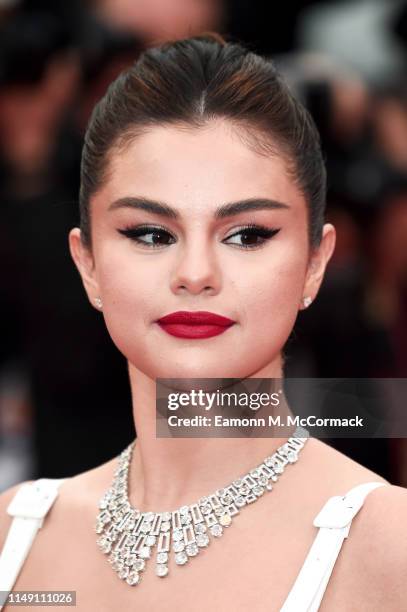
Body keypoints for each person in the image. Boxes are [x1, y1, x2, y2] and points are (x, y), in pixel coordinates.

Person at [0, 33, 406, 611]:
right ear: (86, 263)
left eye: (247, 235)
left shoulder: (389, 548)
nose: (195, 274)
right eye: (150, 234)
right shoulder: (16, 539)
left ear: (315, 263)